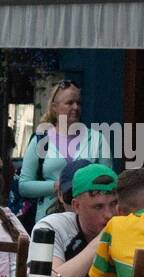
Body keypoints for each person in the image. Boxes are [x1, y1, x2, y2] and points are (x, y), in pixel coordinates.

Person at [18, 80, 112, 223]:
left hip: (89, 221)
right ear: (54, 107)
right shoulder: (41, 139)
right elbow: (24, 186)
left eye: (79, 103)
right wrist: (56, 186)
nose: (75, 107)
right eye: (69, 103)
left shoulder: (97, 139)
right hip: (48, 219)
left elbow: (108, 181)